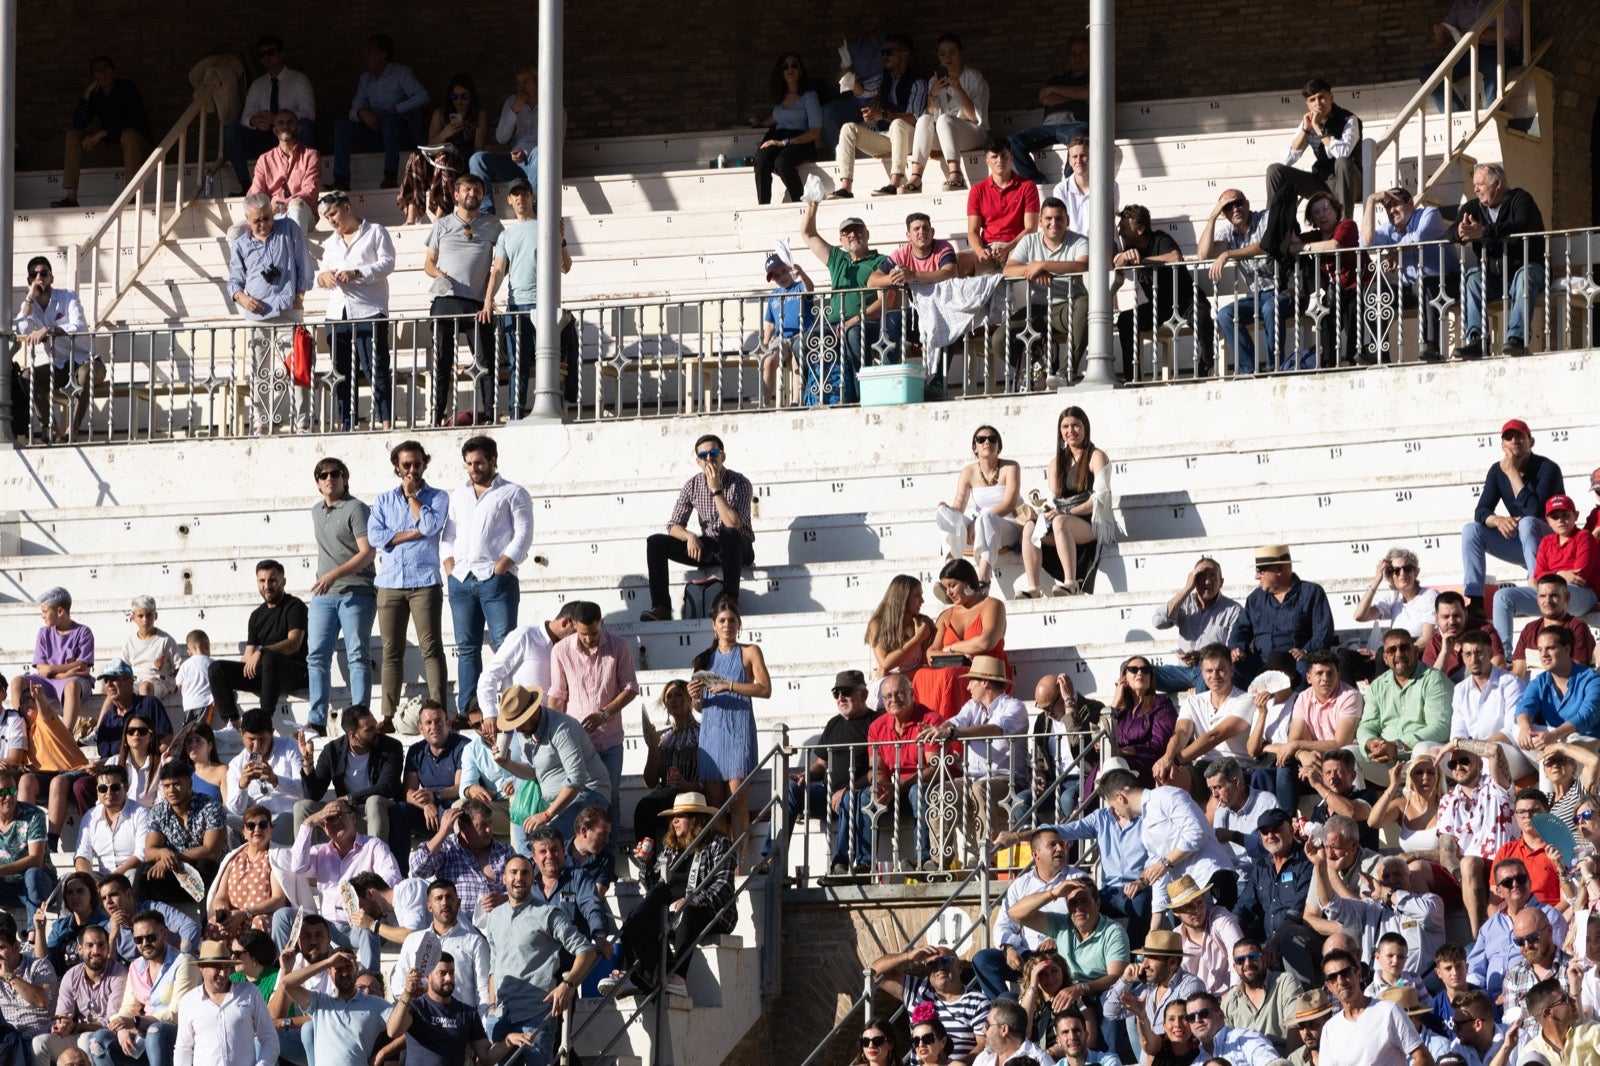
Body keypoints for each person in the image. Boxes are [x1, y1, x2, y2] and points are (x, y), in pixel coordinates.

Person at [442, 435, 533, 715]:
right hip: (461, 578)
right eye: (469, 464)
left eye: (479, 462)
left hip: (496, 578)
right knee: (466, 647)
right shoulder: (458, 494)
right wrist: (448, 564)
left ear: (493, 460)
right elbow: (450, 533)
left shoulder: (513, 492)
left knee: (504, 642)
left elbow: (524, 533)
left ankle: (509, 702)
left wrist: (502, 565)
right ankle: (469, 706)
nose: (473, 469)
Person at [478, 854, 596, 1058]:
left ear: (534, 879)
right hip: (500, 1016)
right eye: (513, 872)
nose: (519, 878)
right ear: (504, 878)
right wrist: (491, 1006)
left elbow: (586, 951)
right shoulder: (495, 916)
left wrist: (567, 985)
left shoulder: (549, 914)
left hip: (535, 1015)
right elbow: (494, 966)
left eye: (525, 873)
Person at [367, 441, 449, 726]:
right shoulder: (383, 500)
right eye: (406, 465)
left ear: (424, 464)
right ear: (397, 468)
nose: (412, 470)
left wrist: (414, 499)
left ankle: (439, 709)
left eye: (416, 464)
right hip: (390, 582)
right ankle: (388, 715)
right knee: (391, 651)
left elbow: (429, 527)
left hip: (424, 581)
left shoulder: (437, 497)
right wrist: (411, 534)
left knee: (431, 648)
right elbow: (376, 537)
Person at [482, 180, 579, 416]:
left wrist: (561, 239)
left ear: (532, 197)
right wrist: (487, 299)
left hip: (544, 304)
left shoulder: (547, 226)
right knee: (519, 365)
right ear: (509, 199)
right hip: (517, 305)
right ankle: (516, 413)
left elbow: (566, 266)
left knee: (552, 364)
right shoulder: (507, 235)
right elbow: (498, 270)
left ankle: (558, 408)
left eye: (524, 194)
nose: (520, 199)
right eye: (515, 194)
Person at [920, 655, 1027, 869]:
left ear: (985, 682)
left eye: (972, 681)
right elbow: (955, 721)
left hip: (1008, 779)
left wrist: (952, 733)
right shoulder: (973, 706)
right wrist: (942, 729)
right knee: (939, 792)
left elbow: (995, 729)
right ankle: (939, 861)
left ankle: (987, 856)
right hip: (972, 779)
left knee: (980, 788)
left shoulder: (1014, 707)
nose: (968, 687)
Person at [687, 603, 770, 865]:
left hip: (738, 731)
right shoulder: (703, 659)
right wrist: (694, 699)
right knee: (715, 805)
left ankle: (740, 866)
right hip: (712, 733)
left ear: (739, 624)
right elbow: (699, 707)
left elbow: (765, 689)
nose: (727, 625)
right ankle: (722, 864)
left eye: (732, 620)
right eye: (722, 620)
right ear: (714, 625)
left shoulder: (750, 652)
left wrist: (730, 685)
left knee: (737, 803)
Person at [641, 433, 755, 622]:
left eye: (713, 453)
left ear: (722, 456)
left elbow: (733, 524)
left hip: (738, 547)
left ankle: (730, 599)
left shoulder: (740, 482)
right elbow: (673, 525)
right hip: (709, 546)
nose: (709, 459)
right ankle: (661, 607)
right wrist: (689, 536)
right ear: (698, 461)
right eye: (703, 456)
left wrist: (716, 489)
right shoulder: (692, 485)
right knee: (655, 543)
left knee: (728, 534)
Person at [545, 602, 638, 832]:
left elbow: (630, 688)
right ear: (573, 625)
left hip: (610, 740)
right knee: (578, 799)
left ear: (602, 623)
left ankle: (606, 856)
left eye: (594, 633)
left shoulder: (619, 646)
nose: (589, 639)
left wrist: (603, 714)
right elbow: (557, 696)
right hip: (575, 743)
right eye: (584, 634)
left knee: (610, 798)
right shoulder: (561, 650)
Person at [228, 195, 314, 436]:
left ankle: (302, 423)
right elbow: (234, 281)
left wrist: (300, 295)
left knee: (299, 368)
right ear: (247, 220)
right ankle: (261, 423)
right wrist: (243, 299)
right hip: (257, 315)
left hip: (288, 310)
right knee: (259, 371)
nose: (263, 223)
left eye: (267, 218)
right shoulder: (241, 243)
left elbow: (302, 262)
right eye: (257, 220)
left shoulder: (289, 229)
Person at [282, 796, 399, 973]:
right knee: (283, 916)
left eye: (339, 815)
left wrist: (368, 901)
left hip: (361, 923)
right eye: (329, 819)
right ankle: (281, 978)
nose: (335, 822)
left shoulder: (373, 846)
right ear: (323, 825)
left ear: (353, 818)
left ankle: (370, 983)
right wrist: (308, 823)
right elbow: (297, 866)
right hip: (328, 926)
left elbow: (392, 880)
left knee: (369, 929)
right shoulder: (320, 852)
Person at [1097, 767, 1238, 911]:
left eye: (1113, 807)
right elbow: (1158, 873)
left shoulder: (1167, 795)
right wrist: (1155, 928)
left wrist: (1164, 863)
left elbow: (1196, 833)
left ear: (1120, 798)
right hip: (1186, 893)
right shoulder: (1146, 823)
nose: (1115, 813)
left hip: (1211, 880)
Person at [797, 203, 898, 403]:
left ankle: (862, 396)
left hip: (867, 322)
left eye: (857, 230)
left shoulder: (881, 261)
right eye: (846, 232)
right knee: (801, 343)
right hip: (833, 323)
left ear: (867, 234)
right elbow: (808, 234)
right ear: (841, 239)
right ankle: (814, 395)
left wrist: (855, 319)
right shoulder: (837, 258)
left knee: (853, 334)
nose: (852, 235)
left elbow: (886, 301)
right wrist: (812, 206)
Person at [1461, 418, 1563, 611]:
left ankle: (1538, 587)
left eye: (1520, 436)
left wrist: (1512, 474)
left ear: (1530, 442)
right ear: (1502, 445)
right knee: (1471, 530)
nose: (1514, 441)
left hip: (1550, 543)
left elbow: (1535, 511)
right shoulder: (1496, 471)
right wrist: (1498, 520)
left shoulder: (1548, 468)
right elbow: (1481, 511)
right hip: (1523, 543)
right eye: (1509, 437)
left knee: (1527, 523)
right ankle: (1475, 601)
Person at [423, 177, 503, 425]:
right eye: (467, 189)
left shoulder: (493, 225)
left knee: (485, 361)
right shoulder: (442, 224)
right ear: (456, 194)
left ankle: (490, 415)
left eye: (477, 190)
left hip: (477, 302)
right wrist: (439, 274)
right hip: (445, 299)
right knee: (442, 361)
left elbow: (501, 263)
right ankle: (437, 416)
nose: (472, 193)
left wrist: (490, 297)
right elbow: (428, 264)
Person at [316, 191, 396, 431]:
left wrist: (357, 272)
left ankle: (385, 421)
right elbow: (318, 277)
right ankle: (346, 422)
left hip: (368, 310)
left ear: (347, 207)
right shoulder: (330, 243)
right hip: (337, 312)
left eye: (333, 213)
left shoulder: (375, 231)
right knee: (341, 372)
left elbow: (387, 263)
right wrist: (324, 277)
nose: (331, 220)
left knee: (376, 368)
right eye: (327, 217)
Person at [972, 826, 1082, 998]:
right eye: (1053, 845)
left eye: (1062, 844)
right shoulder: (1020, 884)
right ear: (1036, 854)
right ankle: (1008, 1008)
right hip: (1028, 956)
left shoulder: (1077, 879)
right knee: (983, 960)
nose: (1060, 849)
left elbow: (1087, 922)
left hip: (1062, 955)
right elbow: (1004, 924)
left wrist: (1058, 938)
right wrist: (1008, 948)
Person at [989, 198, 1086, 391]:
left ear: (1067, 220)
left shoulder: (1079, 241)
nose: (1054, 223)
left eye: (1059, 218)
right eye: (1048, 218)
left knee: (1086, 304)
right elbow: (1008, 270)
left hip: (1067, 308)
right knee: (999, 339)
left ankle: (1066, 372)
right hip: (1037, 310)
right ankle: (1037, 368)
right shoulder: (1029, 240)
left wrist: (1043, 265)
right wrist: (1032, 270)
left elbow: (1084, 264)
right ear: (1040, 221)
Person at [494, 685, 611, 844]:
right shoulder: (526, 730)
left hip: (589, 792)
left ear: (533, 712)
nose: (518, 729)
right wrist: (507, 764)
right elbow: (535, 773)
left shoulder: (562, 728)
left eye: (520, 722)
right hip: (560, 802)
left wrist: (547, 814)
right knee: (536, 843)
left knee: (549, 840)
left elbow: (577, 779)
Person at [790, 670, 879, 878]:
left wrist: (848, 788)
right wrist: (806, 775)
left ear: (863, 695)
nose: (840, 698)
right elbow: (821, 764)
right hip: (828, 796)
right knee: (791, 790)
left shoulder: (875, 722)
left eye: (846, 692)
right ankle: (771, 857)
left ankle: (840, 865)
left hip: (859, 795)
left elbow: (877, 771)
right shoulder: (834, 724)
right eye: (836, 693)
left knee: (850, 797)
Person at [1452, 161, 1545, 360]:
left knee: (1524, 276)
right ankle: (1477, 340)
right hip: (1494, 277)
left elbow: (1521, 225)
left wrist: (1484, 232)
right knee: (1473, 279)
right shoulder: (1472, 208)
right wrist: (1460, 232)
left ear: (1498, 184)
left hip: (1526, 268)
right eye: (1474, 184)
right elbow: (1450, 232)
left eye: (1481, 184)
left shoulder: (1520, 199)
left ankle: (1516, 338)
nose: (1476, 189)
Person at [1113, 204, 1214, 381]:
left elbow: (1175, 257)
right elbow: (1117, 263)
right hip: (1159, 306)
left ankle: (1207, 365)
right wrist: (1121, 260)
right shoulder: (1128, 248)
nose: (1120, 232)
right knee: (1125, 321)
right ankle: (1132, 379)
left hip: (1186, 300)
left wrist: (1143, 261)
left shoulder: (1159, 239)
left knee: (1202, 316)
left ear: (1140, 229)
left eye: (1124, 228)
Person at [1358, 186, 1459, 363]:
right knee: (1375, 291)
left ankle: (1431, 347)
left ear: (1410, 203)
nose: (1391, 211)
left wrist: (1396, 251)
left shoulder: (1430, 214)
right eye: (1387, 207)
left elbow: (1419, 238)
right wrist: (1371, 201)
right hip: (1411, 288)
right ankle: (1379, 350)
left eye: (1395, 205)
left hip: (1446, 282)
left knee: (1425, 283)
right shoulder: (1390, 229)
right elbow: (1366, 241)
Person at [205, 560, 307, 728]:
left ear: (283, 582)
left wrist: (262, 651)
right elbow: (248, 655)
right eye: (262, 581)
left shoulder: (295, 606)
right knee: (216, 669)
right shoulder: (256, 615)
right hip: (265, 674)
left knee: (270, 658)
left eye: (272, 580)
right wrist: (233, 677)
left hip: (293, 672)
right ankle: (233, 724)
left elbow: (294, 643)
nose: (267, 586)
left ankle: (263, 721)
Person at [89, 910, 198, 1066]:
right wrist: (121, 1028)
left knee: (156, 1031)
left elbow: (177, 1013)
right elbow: (128, 1007)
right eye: (138, 940)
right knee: (98, 1040)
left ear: (164, 935)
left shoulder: (184, 962)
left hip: (174, 1035)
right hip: (143, 1035)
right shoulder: (135, 966)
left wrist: (136, 1021)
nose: (145, 943)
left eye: (150, 937)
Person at [13, 256, 101, 443]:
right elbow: (21, 329)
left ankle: (73, 429)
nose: (39, 278)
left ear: (51, 277)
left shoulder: (68, 296)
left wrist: (49, 330)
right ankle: (51, 428)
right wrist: (29, 298)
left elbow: (78, 325)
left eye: (44, 273)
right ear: (29, 280)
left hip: (88, 361)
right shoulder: (31, 306)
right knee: (26, 376)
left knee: (86, 373)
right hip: (61, 366)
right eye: (34, 274)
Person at [386, 953, 530, 1065]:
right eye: (442, 973)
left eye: (451, 972)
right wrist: (407, 993)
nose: (449, 978)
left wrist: (508, 1041)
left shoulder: (467, 1013)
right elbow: (393, 1031)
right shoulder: (416, 1007)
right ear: (428, 977)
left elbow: (486, 1057)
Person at [1203, 190, 1290, 375]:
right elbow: (1203, 254)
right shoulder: (1228, 232)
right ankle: (1248, 370)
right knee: (1225, 315)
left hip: (1285, 290)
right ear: (1224, 213)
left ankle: (1275, 368)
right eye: (1228, 207)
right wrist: (1212, 217)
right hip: (1257, 296)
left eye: (1239, 203)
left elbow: (1265, 246)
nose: (1235, 209)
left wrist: (1228, 254)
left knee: (1270, 309)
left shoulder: (1265, 218)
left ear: (1247, 203)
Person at [1495, 498, 1600, 650]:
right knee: (1503, 597)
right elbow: (1538, 575)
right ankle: (1503, 656)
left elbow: (1579, 576)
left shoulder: (1584, 537)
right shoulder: (1546, 541)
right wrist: (1560, 573)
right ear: (1548, 521)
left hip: (1582, 594)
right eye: (1555, 517)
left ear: (1575, 516)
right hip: (1553, 592)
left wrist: (1544, 577)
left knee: (1562, 591)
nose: (1561, 520)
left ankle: (1566, 647)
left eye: (1565, 515)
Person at [329, 35, 429, 191]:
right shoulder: (365, 79)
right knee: (342, 126)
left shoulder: (401, 73)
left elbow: (423, 96)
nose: (364, 57)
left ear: (383, 55)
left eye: (369, 52)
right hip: (375, 131)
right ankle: (341, 179)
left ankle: (390, 176)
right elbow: (353, 109)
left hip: (398, 133)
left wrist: (396, 109)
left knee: (390, 120)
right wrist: (362, 113)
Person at [831, 34, 926, 198]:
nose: (884, 56)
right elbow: (863, 91)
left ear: (904, 54)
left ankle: (894, 183)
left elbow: (915, 118)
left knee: (898, 124)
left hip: (911, 139)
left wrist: (884, 115)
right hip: (888, 138)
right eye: (883, 52)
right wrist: (848, 77)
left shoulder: (917, 81)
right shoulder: (885, 77)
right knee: (848, 128)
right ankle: (846, 188)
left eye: (889, 52)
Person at [1227, 543, 1336, 684]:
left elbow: (1323, 632)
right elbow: (1240, 630)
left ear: (1279, 569)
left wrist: (1307, 652)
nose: (1257, 576)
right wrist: (1237, 648)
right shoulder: (1255, 599)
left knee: (1306, 669)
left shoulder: (1312, 593)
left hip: (1295, 662)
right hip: (1262, 663)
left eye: (1260, 571)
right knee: (1229, 669)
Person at [1231, 808, 1317, 987]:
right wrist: (1227, 930)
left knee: (1289, 935)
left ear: (1291, 830)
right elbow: (1243, 907)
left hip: (1301, 939)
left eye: (1276, 829)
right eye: (1264, 831)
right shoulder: (1261, 867)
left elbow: (1296, 913)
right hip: (1269, 944)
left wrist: (1274, 945)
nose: (1270, 835)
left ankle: (1304, 999)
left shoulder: (1307, 861)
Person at [54, 56, 152, 209]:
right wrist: (86, 94)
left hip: (138, 150)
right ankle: (71, 198)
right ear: (94, 77)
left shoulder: (127, 89)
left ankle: (133, 197)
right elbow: (78, 124)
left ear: (114, 72)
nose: (103, 74)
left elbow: (135, 121)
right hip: (112, 150)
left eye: (106, 69)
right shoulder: (96, 94)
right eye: (97, 71)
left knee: (128, 135)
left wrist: (102, 133)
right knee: (73, 135)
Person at [222, 35, 316, 195]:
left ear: (281, 54)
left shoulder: (299, 80)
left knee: (306, 126)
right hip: (265, 138)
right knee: (232, 130)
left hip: (291, 138)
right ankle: (246, 186)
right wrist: (254, 121)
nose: (267, 57)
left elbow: (309, 113)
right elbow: (245, 118)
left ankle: (303, 182)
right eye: (262, 54)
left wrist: (278, 120)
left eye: (271, 52)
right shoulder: (258, 85)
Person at [933, 424, 1022, 588]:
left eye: (992, 439)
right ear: (975, 447)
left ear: (999, 446)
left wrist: (979, 520)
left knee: (987, 517)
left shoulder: (1011, 467)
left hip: (1006, 527)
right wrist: (947, 509)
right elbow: (959, 504)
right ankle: (951, 572)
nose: (986, 442)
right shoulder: (968, 471)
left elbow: (1009, 504)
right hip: (979, 530)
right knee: (945, 515)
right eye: (981, 439)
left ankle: (982, 580)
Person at [297, 704, 403, 839]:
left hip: (381, 813)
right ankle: (304, 859)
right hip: (349, 815)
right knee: (302, 807)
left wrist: (350, 799)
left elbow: (388, 787)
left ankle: (377, 857)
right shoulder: (332, 751)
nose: (377, 731)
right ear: (353, 736)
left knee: (374, 801)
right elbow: (313, 795)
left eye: (375, 725)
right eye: (369, 729)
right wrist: (307, 761)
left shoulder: (391, 747)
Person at [867, 946, 990, 1062]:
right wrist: (909, 956)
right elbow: (874, 972)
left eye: (946, 961)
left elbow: (984, 1044)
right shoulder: (917, 990)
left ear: (959, 966)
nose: (940, 967)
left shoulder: (978, 1001)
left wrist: (956, 1065)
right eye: (933, 964)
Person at [388, 702, 469, 876]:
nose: (434, 727)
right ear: (421, 728)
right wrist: (425, 805)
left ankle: (456, 873)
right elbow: (408, 792)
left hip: (452, 807)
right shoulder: (416, 751)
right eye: (428, 723)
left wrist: (435, 796)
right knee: (398, 811)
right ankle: (399, 876)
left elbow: (461, 787)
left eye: (438, 721)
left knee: (455, 808)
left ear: (448, 723)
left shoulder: (462, 746)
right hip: (428, 812)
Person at [470, 66, 564, 216]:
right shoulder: (512, 102)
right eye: (519, 84)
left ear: (538, 80)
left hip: (538, 160)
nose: (522, 88)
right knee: (477, 159)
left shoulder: (552, 103)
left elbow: (557, 144)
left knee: (540, 153)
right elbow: (501, 138)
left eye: (526, 82)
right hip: (514, 162)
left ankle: (534, 211)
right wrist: (514, 110)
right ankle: (486, 214)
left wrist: (526, 153)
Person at [1467, 855, 1565, 999]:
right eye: (1507, 882)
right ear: (1499, 891)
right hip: (1491, 1003)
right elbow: (1475, 969)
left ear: (1530, 882)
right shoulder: (1489, 927)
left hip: (1532, 995)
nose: (1515, 884)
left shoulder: (1549, 917)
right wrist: (1480, 997)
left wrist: (1509, 994)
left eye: (1520, 879)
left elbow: (1555, 963)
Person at [396, 73, 488, 226]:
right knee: (416, 157)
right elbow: (430, 145)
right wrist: (445, 133)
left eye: (464, 96)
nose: (459, 101)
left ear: (471, 96)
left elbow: (479, 148)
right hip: (438, 159)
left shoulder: (479, 115)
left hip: (462, 163)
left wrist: (466, 134)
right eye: (455, 97)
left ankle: (441, 213)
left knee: (444, 158)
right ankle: (411, 214)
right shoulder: (440, 115)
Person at [1356, 629, 1453, 773]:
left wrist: (1397, 747)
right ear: (1385, 658)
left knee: (1422, 749)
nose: (1399, 654)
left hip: (1422, 758)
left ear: (1415, 650)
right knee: (1348, 755)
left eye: (1404, 648)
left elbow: (1440, 728)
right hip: (1387, 760)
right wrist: (1371, 743)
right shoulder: (1378, 686)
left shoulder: (1434, 680)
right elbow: (1367, 726)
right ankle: (1360, 796)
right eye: (1392, 650)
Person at [274, 946, 388, 1066]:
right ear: (329, 972)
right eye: (338, 968)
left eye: (348, 967)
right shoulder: (320, 1001)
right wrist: (328, 962)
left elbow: (407, 1024)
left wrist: (384, 1053)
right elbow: (286, 984)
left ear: (356, 968)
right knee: (265, 1037)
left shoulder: (374, 1003)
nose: (344, 973)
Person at [904, 34, 989, 193]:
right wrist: (934, 94)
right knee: (923, 120)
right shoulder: (934, 81)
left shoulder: (974, 78)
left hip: (973, 132)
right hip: (944, 136)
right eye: (942, 54)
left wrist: (958, 89)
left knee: (944, 119)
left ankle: (956, 174)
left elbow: (974, 117)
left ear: (961, 54)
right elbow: (929, 115)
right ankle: (916, 177)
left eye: (952, 53)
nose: (947, 57)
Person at [1264, 79, 1363, 217]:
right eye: (1312, 100)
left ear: (1331, 97)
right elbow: (1285, 160)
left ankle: (1345, 226)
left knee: (1342, 162)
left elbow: (1343, 152)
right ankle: (1273, 227)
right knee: (1275, 170)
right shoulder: (1308, 123)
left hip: (1350, 184)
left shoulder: (1349, 119)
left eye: (1321, 97)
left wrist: (1318, 127)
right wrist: (1306, 130)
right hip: (1322, 182)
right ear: (1307, 105)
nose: (1318, 103)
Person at [1155, 651, 1253, 788]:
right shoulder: (1193, 701)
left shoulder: (1246, 699)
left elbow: (1216, 736)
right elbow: (1181, 732)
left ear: (1232, 670)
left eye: (1220, 670)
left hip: (1236, 767)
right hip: (1203, 766)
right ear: (1202, 672)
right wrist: (1167, 758)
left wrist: (1176, 760)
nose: (1214, 675)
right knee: (1165, 776)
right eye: (1209, 671)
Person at [172, 941, 277, 1066]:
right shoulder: (189, 1001)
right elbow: (183, 1049)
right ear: (201, 967)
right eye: (217, 967)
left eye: (226, 967)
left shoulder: (250, 992)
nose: (223, 973)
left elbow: (270, 1039)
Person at [1316, 948, 1427, 1066]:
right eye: (1333, 978)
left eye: (1345, 973)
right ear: (1328, 986)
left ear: (1358, 974)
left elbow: (1423, 1058)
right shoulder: (1330, 1029)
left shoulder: (1389, 1011)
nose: (1340, 981)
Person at [389, 878, 489, 1008]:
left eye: (449, 897)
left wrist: (483, 1025)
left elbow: (483, 991)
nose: (444, 903)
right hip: (422, 1019)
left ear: (458, 903)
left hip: (461, 1021)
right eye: (439, 898)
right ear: (429, 906)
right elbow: (397, 985)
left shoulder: (474, 942)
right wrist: (409, 990)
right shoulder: (412, 941)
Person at [34, 923, 126, 1065]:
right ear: (80, 949)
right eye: (90, 945)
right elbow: (63, 1014)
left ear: (108, 948)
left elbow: (112, 1023)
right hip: (78, 1035)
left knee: (86, 1039)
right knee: (40, 1043)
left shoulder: (119, 974)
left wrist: (76, 1027)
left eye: (101, 945)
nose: (96, 951)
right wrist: (61, 1025)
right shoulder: (71, 976)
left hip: (108, 1038)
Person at [408, 800, 514, 921]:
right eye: (483, 825)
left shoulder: (504, 851)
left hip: (501, 919)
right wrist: (443, 832)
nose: (489, 830)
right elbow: (418, 869)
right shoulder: (447, 847)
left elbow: (528, 887)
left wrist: (505, 899)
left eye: (490, 824)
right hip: (461, 922)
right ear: (464, 826)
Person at [10, 587, 93, 739]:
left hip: (72, 681)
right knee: (17, 682)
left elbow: (82, 666)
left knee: (72, 685)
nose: (42, 615)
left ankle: (66, 735)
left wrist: (55, 671)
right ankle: (20, 728)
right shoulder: (44, 633)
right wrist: (66, 672)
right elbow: (42, 670)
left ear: (60, 611)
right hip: (48, 681)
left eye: (45, 611)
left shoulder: (83, 632)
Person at [141, 758, 226, 905]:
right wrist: (162, 854)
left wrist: (172, 858)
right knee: (144, 872)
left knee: (206, 864)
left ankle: (209, 924)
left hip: (206, 870)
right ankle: (139, 922)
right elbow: (150, 851)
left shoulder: (211, 807)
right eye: (166, 786)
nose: (171, 790)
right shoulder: (159, 811)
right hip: (174, 872)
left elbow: (211, 850)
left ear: (190, 784)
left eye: (177, 784)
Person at [1007, 37, 1090, 186]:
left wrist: (1055, 91)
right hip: (1047, 127)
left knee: (1080, 135)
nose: (1078, 57)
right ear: (1068, 58)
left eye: (1083, 53)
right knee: (1013, 141)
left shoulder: (1095, 77)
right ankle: (1037, 182)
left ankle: (1069, 182)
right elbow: (1045, 98)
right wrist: (1076, 97)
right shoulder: (1057, 79)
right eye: (1074, 54)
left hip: (1075, 125)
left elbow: (1089, 93)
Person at [1152, 558, 1241, 694]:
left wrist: (1201, 656)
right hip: (1182, 672)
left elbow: (1231, 652)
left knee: (1206, 668)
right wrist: (1187, 588)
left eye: (1212, 576)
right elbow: (1158, 622)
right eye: (1202, 577)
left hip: (1212, 672)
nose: (1207, 582)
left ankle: (1201, 711)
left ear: (1221, 582)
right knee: (1131, 669)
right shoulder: (1184, 603)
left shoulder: (1233, 610)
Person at [1424, 0, 1524, 114]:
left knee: (1496, 64)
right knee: (1428, 73)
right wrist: (1439, 32)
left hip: (1497, 49)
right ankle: (1457, 115)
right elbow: (1443, 39)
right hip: (1468, 52)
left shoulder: (1504, 2)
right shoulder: (1461, 4)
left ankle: (1493, 115)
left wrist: (1472, 35)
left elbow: (1510, 31)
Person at [1517, 625, 1600, 750]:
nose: (1544, 655)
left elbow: (1586, 716)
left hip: (1584, 748)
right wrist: (1525, 728)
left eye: (1550, 648)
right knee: (1517, 729)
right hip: (1551, 744)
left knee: (1575, 739)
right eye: (1540, 650)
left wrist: (1554, 735)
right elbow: (1525, 707)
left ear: (1567, 649)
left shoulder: (1592, 679)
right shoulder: (1539, 682)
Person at [753, 53, 821, 205]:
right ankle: (763, 206)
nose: (790, 69)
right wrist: (759, 122)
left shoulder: (809, 97)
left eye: (794, 65)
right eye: (785, 66)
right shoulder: (780, 97)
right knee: (760, 160)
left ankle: (800, 203)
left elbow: (815, 132)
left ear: (801, 70)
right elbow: (776, 118)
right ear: (781, 72)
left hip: (801, 139)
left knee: (782, 162)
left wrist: (784, 142)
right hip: (778, 135)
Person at [966, 140, 1040, 277]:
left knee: (1023, 266)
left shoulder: (1027, 186)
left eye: (1004, 156)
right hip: (988, 248)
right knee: (957, 263)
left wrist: (1008, 247)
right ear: (987, 161)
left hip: (1017, 247)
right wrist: (979, 250)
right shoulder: (977, 190)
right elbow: (972, 230)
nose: (999, 160)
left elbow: (1031, 228)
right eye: (994, 157)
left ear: (1011, 158)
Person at [1104, 656, 1179, 788]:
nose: (1140, 673)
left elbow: (1159, 744)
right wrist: (1116, 701)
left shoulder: (1161, 704)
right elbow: (1102, 735)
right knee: (1104, 767)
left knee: (1115, 769)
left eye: (1145, 670)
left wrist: (1127, 751)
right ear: (1124, 678)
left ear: (1151, 677)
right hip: (1117, 763)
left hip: (1146, 765)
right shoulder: (1120, 710)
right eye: (1133, 669)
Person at [244, 110, 321, 236]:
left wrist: (282, 204)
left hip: (303, 213)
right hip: (271, 214)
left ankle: (297, 255)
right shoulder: (265, 159)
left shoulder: (311, 155)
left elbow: (309, 191)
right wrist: (265, 210)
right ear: (274, 130)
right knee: (235, 232)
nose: (285, 126)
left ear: (299, 128)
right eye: (280, 123)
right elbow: (256, 192)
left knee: (296, 206)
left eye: (290, 122)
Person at [1508, 575, 1597, 678]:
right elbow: (1518, 674)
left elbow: (1575, 673)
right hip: (1533, 692)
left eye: (1554, 595)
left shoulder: (1577, 628)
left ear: (1567, 598)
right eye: (1542, 596)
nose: (1548, 601)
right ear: (1537, 599)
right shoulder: (1529, 629)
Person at [74, 763, 148, 878]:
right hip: (102, 877)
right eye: (103, 788)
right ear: (97, 791)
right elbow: (82, 855)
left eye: (115, 787)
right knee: (68, 880)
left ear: (126, 787)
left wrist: (111, 880)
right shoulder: (90, 816)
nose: (108, 793)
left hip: (130, 875)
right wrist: (89, 882)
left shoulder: (140, 813)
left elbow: (141, 855)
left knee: (133, 874)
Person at [1183, 991, 1285, 1066]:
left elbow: (1272, 1063)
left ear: (1220, 1016)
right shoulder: (1196, 1062)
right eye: (1191, 1017)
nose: (1197, 1020)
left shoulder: (1245, 1038)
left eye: (1203, 1013)